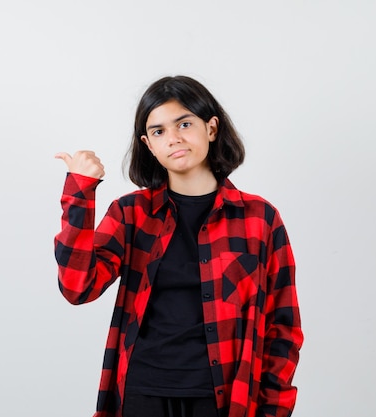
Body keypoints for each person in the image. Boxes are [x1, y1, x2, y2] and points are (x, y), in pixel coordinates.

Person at [54, 75, 303, 417]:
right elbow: (77, 287)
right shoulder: (132, 214)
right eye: (158, 131)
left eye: (184, 123)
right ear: (148, 144)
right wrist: (80, 192)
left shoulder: (260, 219)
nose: (173, 139)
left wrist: (273, 409)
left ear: (211, 128)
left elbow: (283, 328)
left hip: (224, 398)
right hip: (142, 393)